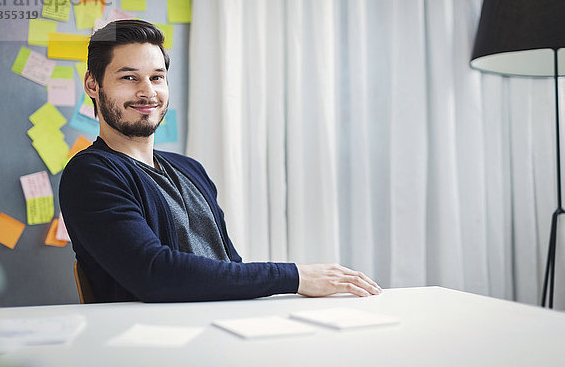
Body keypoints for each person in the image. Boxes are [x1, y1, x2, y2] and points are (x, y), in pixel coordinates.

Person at [59, 19, 381, 303]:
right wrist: (295, 277)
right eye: (129, 78)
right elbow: (153, 274)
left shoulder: (190, 170)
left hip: (225, 329)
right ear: (92, 84)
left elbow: (228, 267)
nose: (148, 92)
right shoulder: (91, 173)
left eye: (157, 78)